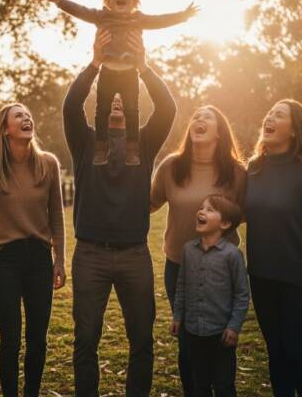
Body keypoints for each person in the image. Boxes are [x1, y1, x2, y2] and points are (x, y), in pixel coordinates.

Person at [64, 29, 176, 397]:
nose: (115, 101)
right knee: (85, 341)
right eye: (108, 97)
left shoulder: (143, 143)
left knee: (141, 341)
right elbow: (71, 107)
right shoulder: (85, 142)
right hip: (90, 255)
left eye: (121, 98)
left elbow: (167, 109)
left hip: (134, 255)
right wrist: (95, 65)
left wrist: (143, 68)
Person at [39, 0, 197, 166]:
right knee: (102, 110)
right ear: (108, 1)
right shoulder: (101, 17)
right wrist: (58, 0)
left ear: (135, 1)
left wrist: (183, 16)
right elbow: (80, 11)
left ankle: (132, 150)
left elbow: (160, 20)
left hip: (130, 73)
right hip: (107, 71)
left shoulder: (139, 19)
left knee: (132, 110)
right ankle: (100, 148)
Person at [245, 99, 302, 397]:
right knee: (276, 354)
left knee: (297, 354)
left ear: (296, 130)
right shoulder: (254, 168)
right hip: (261, 277)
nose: (269, 118)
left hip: (300, 281)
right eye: (269, 113)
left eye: (278, 115)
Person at [150, 105, 247, 396]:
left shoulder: (236, 173)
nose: (199, 119)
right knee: (188, 342)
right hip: (180, 267)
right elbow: (149, 203)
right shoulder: (171, 166)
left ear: (219, 132)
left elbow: (247, 213)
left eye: (207, 117)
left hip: (222, 270)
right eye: (196, 117)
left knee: (221, 341)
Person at [0, 103, 66, 397]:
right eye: (19, 116)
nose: (27, 118)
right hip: (2, 259)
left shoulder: (48, 163)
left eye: (28, 114)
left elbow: (56, 215)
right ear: (5, 129)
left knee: (37, 338)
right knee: (11, 339)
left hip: (39, 258)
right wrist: (1, 208)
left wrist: (60, 259)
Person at [170, 194, 250, 397]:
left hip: (221, 334)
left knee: (223, 386)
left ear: (225, 223)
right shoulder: (188, 250)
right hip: (194, 332)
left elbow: (241, 294)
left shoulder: (232, 255)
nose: (201, 211)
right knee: (200, 384)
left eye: (209, 210)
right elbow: (181, 286)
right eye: (201, 207)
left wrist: (234, 327)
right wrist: (178, 316)